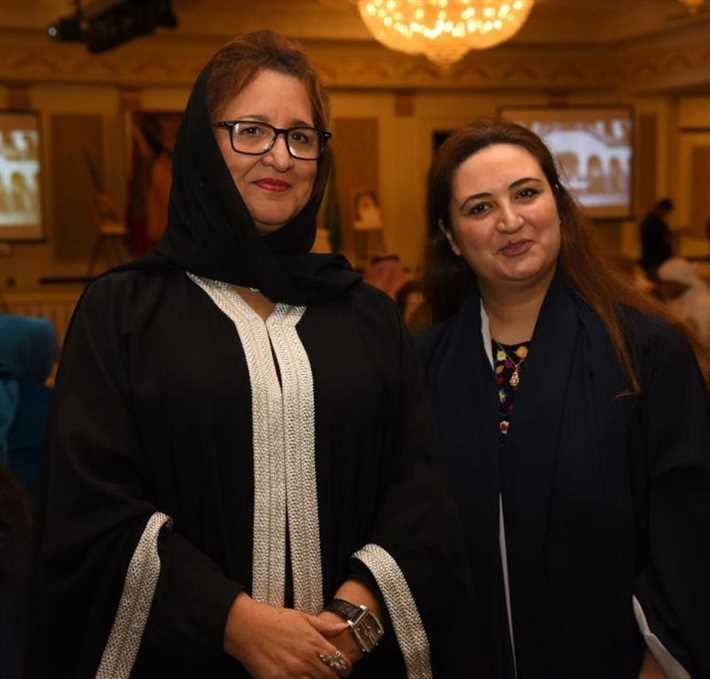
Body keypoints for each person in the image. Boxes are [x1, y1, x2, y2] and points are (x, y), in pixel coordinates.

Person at [28, 31, 467, 679]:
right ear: (203, 147)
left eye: (301, 136)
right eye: (251, 131)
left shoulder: (367, 315)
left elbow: (421, 486)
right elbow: (88, 504)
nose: (280, 156)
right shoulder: (123, 312)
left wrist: (353, 621)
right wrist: (235, 624)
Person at [418, 118, 710, 679]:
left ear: (559, 205)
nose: (510, 221)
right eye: (480, 208)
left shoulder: (646, 350)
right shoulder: (423, 364)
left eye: (526, 193)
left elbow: (689, 533)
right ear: (451, 238)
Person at [640, 197, 675, 279]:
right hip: (654, 262)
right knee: (654, 283)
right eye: (666, 212)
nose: (666, 214)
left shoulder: (656, 222)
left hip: (657, 261)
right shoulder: (651, 223)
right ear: (662, 209)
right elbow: (658, 241)